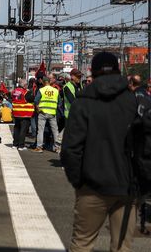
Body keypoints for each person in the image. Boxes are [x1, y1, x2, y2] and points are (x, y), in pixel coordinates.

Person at [61, 52, 138, 252]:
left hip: (91, 187)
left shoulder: (83, 102)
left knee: (82, 244)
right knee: (122, 247)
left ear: (92, 73)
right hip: (126, 187)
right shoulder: (133, 101)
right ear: (118, 70)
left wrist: (79, 181)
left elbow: (70, 149)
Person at [32, 76, 60, 153]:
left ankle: (39, 147)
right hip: (52, 113)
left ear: (44, 82)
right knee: (55, 131)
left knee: (40, 130)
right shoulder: (55, 90)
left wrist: (38, 109)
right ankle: (57, 147)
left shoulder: (41, 90)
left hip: (43, 112)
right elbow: (59, 103)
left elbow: (36, 101)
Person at [11, 81, 35, 150]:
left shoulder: (14, 91)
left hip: (16, 113)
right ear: (24, 85)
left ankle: (15, 144)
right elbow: (32, 99)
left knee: (16, 129)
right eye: (26, 85)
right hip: (25, 114)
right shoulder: (26, 92)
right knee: (23, 130)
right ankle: (21, 146)